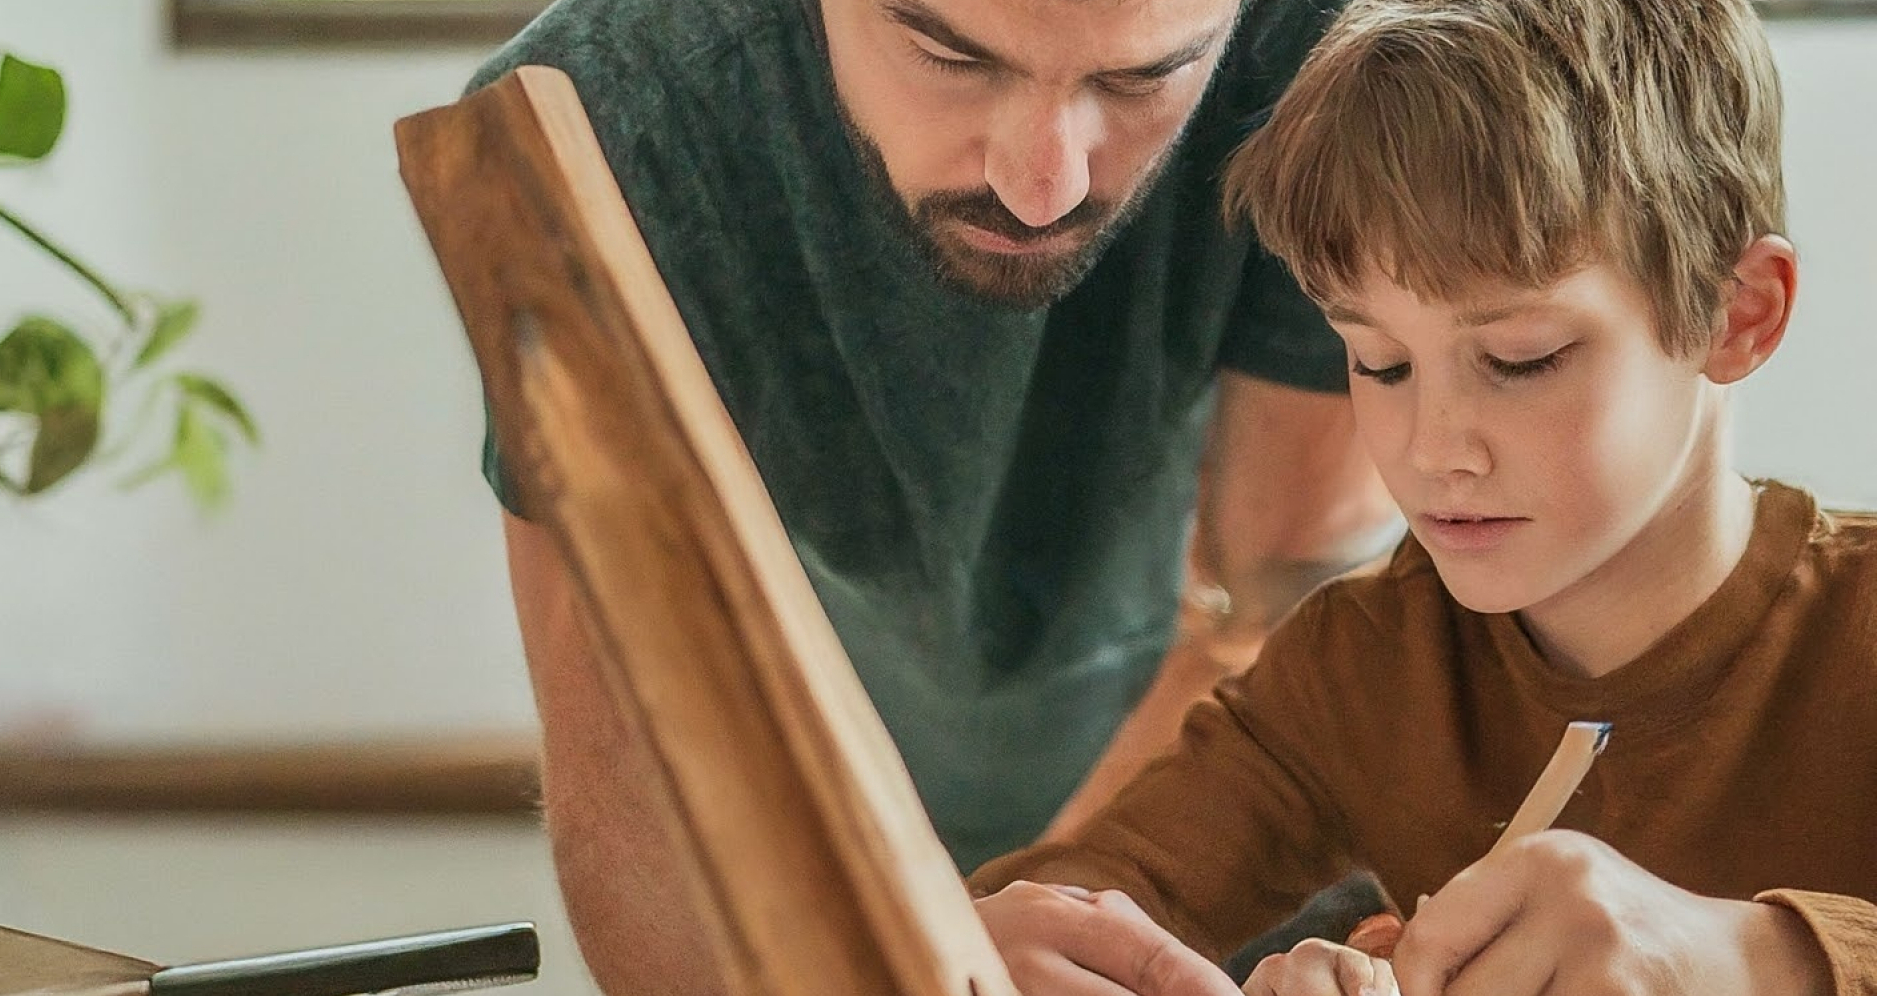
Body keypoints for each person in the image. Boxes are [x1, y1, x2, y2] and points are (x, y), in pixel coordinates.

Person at [467, 0, 1404, 991]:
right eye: (950, 58)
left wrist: (1027, 920)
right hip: (816, 811)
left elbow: (1261, 619)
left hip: (1206, 817)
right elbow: (630, 744)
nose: (1041, 185)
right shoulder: (601, 115)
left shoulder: (1336, 57)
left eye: (1136, 82)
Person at [967, 0, 1877, 993]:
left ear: (1736, 314)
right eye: (1379, 362)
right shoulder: (1359, 665)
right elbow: (1076, 906)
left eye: (1519, 359)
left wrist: (1756, 956)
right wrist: (986, 952)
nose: (1432, 448)